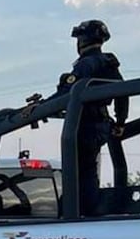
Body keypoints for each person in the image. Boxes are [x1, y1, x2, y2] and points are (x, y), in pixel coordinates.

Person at [43, 19, 128, 214]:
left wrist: (43, 107)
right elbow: (123, 92)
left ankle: (72, 211)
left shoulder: (85, 65)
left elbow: (68, 93)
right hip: (101, 125)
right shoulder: (109, 63)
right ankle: (87, 209)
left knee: (78, 172)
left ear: (81, 40)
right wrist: (121, 121)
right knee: (88, 169)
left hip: (84, 124)